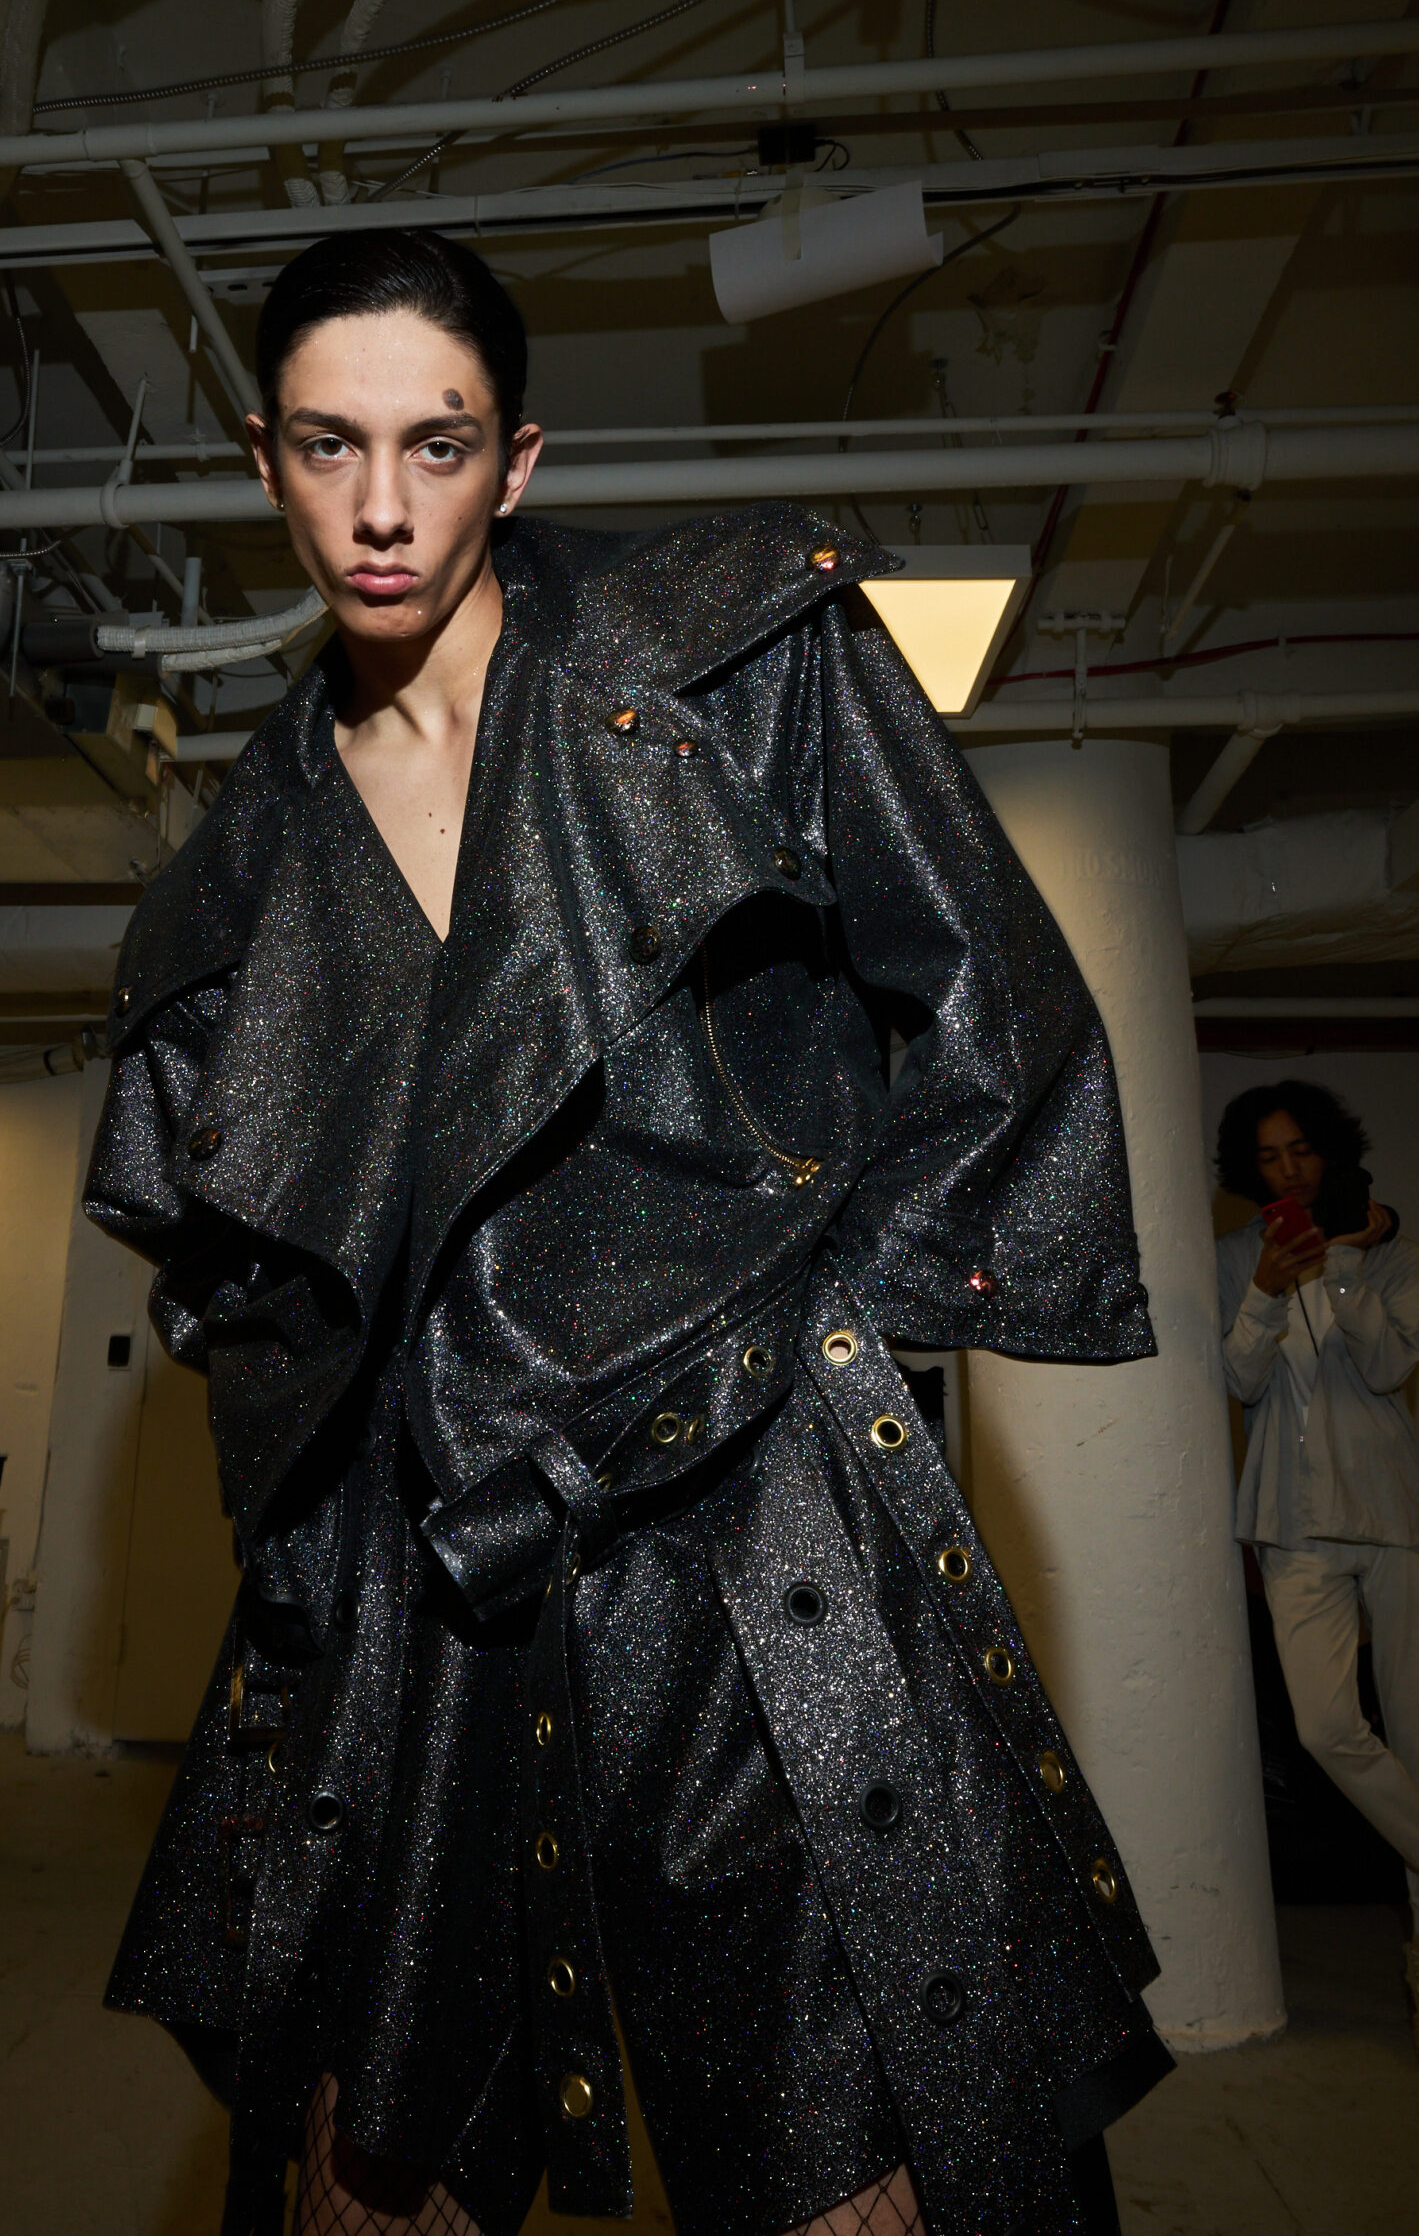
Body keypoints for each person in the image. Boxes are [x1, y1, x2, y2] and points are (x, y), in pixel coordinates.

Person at [86, 230, 1173, 2236]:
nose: (384, 505)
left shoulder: (733, 656)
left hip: (756, 1541)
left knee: (866, 2164)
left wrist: (823, 1339)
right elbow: (236, 1289)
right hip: (433, 1589)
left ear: (519, 458)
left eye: (441, 442)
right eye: (330, 445)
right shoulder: (226, 898)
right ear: (261, 459)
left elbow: (990, 1002)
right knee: (360, 2168)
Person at [1215, 1080, 1419, 2034]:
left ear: (1328, 1154)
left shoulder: (1392, 1258)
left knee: (1414, 1736)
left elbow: (1385, 1370)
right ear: (1246, 1171)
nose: (1287, 1168)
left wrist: (1340, 1261)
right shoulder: (1229, 1260)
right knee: (1326, 1729)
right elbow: (1238, 1380)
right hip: (1290, 1526)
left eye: (1299, 1150)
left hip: (1390, 1516)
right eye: (1267, 1156)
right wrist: (1262, 1290)